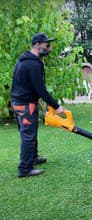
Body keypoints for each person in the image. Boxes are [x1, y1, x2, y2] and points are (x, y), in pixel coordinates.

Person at [11, 32, 66, 178]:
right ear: (37, 45)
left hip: (19, 102)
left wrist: (35, 98)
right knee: (28, 135)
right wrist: (56, 106)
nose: (50, 48)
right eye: (47, 45)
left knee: (30, 132)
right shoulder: (33, 64)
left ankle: (33, 157)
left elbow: (27, 84)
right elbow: (40, 89)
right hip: (25, 105)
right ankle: (25, 169)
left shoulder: (24, 60)